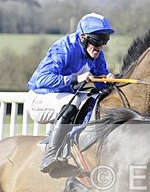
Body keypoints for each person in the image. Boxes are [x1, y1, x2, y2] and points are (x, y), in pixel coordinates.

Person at [26, 12, 115, 174]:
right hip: (40, 99)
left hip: (63, 99)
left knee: (96, 99)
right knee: (72, 102)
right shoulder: (63, 49)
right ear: (82, 37)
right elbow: (41, 80)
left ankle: (78, 145)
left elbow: (101, 84)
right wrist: (75, 79)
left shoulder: (97, 54)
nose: (100, 46)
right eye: (97, 40)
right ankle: (50, 156)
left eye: (105, 40)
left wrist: (109, 80)